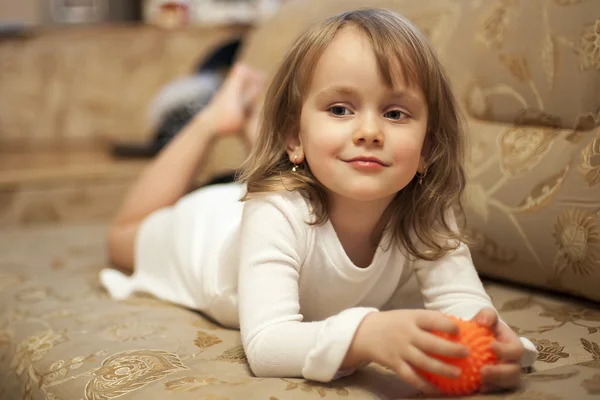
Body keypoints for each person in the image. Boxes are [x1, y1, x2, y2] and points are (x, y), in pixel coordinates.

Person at [100, 8, 538, 396]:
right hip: (210, 233)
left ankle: (259, 126)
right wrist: (365, 333)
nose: (370, 130)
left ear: (427, 149)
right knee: (122, 241)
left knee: (326, 161)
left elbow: (466, 307)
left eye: (395, 113)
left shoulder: (428, 212)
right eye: (341, 109)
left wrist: (504, 350)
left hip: (299, 189)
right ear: (294, 136)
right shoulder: (271, 213)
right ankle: (217, 116)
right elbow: (267, 345)